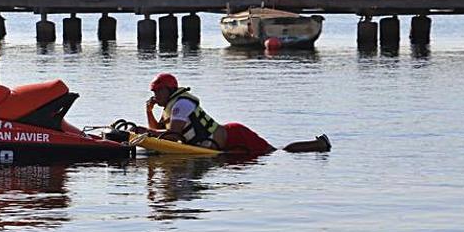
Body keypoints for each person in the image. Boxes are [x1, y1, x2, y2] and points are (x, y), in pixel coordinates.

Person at [138, 73, 330, 155]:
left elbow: (173, 136)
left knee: (276, 152)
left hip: (234, 135)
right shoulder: (172, 106)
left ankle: (319, 144)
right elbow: (160, 131)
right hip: (219, 140)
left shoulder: (181, 104)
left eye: (158, 92)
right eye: (154, 92)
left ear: (169, 91)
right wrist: (148, 113)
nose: (155, 95)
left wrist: (144, 133)